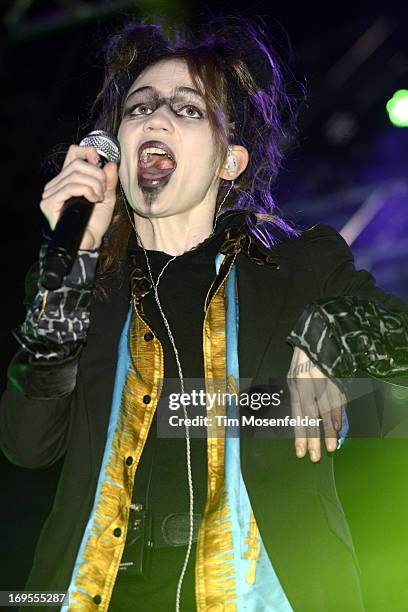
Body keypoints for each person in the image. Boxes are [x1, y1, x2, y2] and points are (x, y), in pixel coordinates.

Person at [1, 16, 408, 612]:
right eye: (138, 108)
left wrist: (332, 334)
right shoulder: (83, 289)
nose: (154, 118)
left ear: (230, 162)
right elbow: (27, 443)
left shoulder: (299, 272)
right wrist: (73, 261)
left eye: (187, 110)